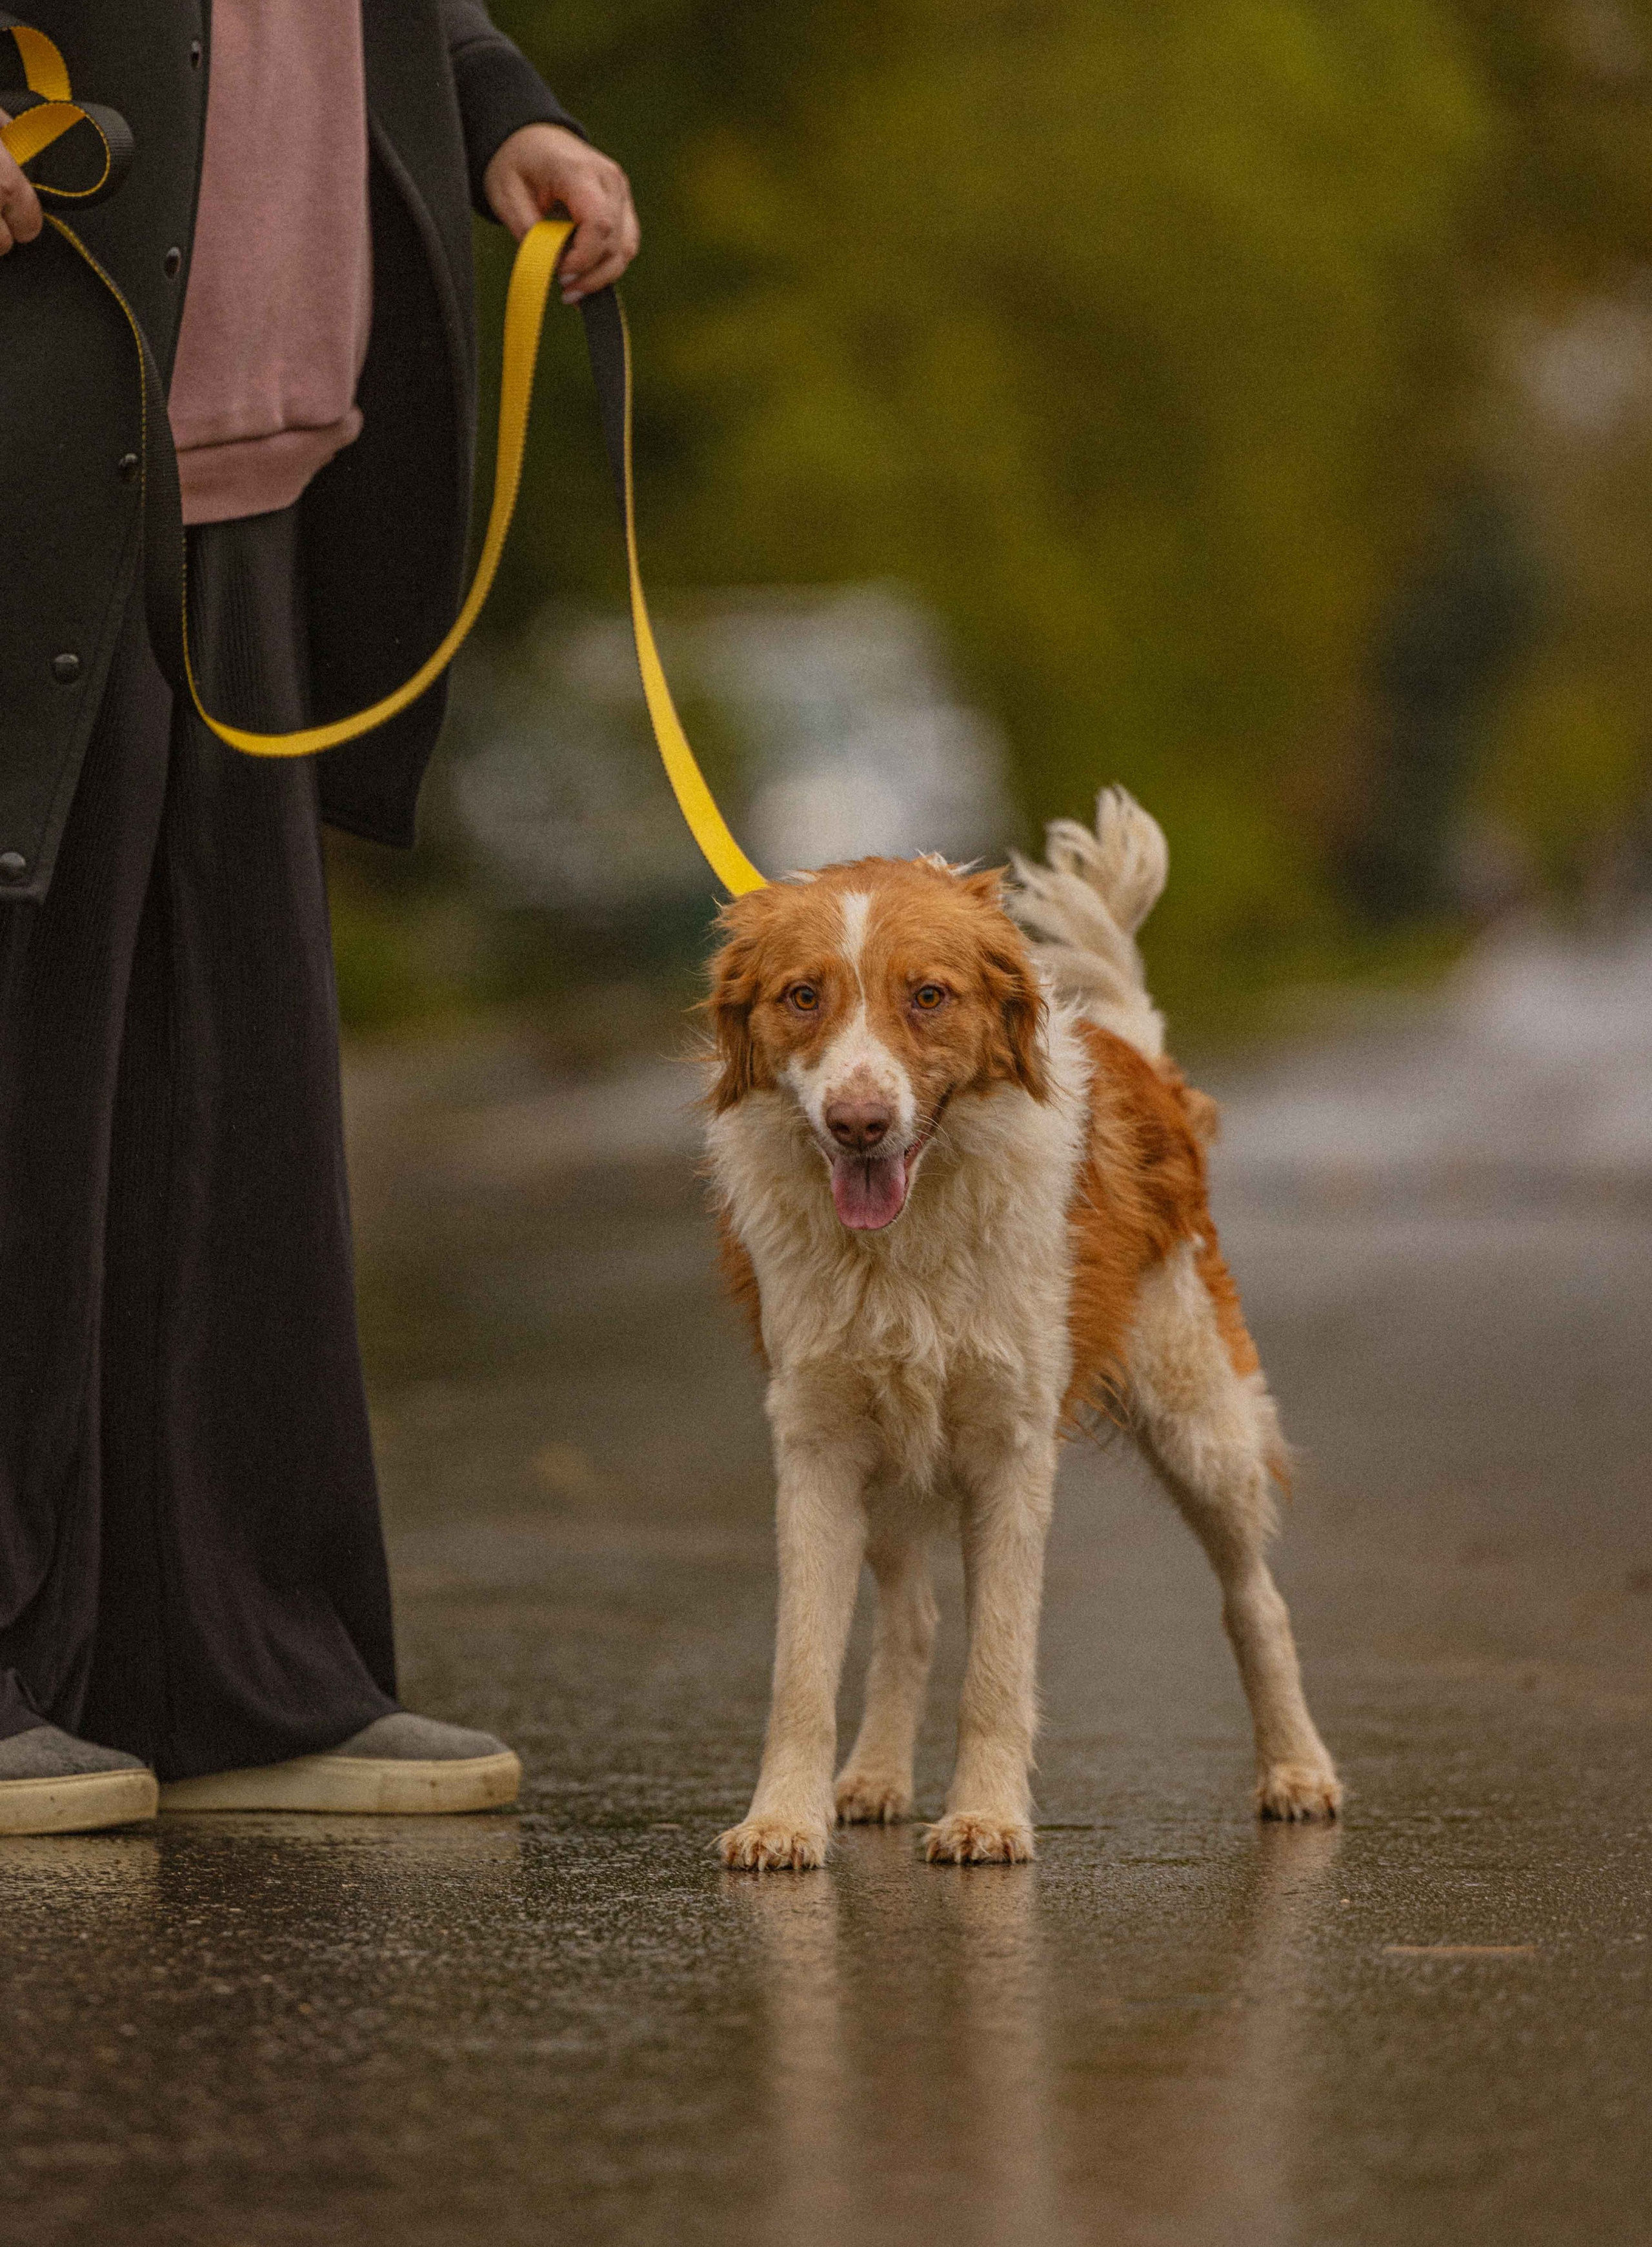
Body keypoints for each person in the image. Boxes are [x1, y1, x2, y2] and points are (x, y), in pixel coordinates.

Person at [0, 2, 639, 1835]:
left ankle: (234, 1672)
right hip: (44, 427)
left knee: (237, 1105)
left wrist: (495, 104)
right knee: (21, 1087)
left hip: (255, 457)